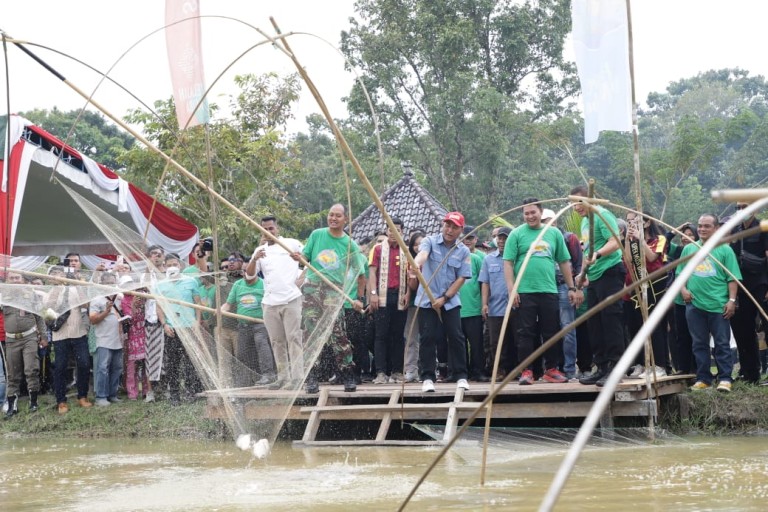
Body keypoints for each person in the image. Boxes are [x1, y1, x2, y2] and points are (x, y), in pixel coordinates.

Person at [504, 199, 582, 385]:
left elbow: (564, 261)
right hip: (524, 291)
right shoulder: (516, 234)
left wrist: (571, 288)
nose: (530, 216)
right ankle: (527, 371)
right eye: (526, 213)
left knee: (551, 331)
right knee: (525, 333)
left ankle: (551, 369)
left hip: (549, 289)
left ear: (541, 213)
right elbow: (508, 262)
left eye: (533, 212)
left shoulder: (553, 233)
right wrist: (512, 290)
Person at [294, 203, 366, 394]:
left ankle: (348, 374)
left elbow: (361, 274)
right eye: (331, 215)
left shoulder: (350, 245)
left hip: (334, 292)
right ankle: (311, 377)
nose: (333, 219)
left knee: (337, 334)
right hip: (312, 288)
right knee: (310, 333)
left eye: (338, 216)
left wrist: (359, 298)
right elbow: (304, 257)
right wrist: (297, 257)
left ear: (345, 219)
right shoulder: (317, 234)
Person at [677, 214, 742, 393]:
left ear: (715, 229)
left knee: (722, 343)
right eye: (700, 226)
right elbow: (680, 273)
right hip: (694, 305)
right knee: (699, 343)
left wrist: (731, 301)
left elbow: (732, 278)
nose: (702, 229)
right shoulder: (689, 249)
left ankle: (725, 378)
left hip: (718, 305)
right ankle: (703, 378)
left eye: (707, 226)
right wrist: (683, 289)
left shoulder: (724, 250)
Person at [570, 186, 627, 387]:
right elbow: (588, 253)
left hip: (610, 272)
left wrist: (599, 254)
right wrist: (582, 274)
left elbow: (616, 241)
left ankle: (615, 368)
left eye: (579, 202)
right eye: (573, 203)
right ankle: (601, 366)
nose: (576, 207)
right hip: (594, 277)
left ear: (590, 199)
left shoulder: (603, 215)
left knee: (610, 320)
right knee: (594, 322)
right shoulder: (585, 222)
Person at [413, 211, 472, 393]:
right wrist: (416, 263)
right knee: (428, 337)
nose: (449, 229)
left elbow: (461, 278)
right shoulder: (430, 241)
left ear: (461, 230)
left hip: (450, 300)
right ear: (443, 225)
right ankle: (428, 377)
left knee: (456, 336)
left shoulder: (463, 251)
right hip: (427, 299)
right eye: (447, 225)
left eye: (454, 227)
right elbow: (423, 254)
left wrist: (444, 298)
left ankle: (461, 376)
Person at [247, 215, 305, 387]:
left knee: (294, 338)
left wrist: (302, 278)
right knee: (276, 341)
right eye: (265, 229)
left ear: (277, 228)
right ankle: (283, 377)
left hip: (291, 298)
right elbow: (249, 277)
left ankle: (298, 377)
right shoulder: (260, 250)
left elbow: (308, 260)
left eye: (271, 228)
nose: (268, 232)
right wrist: (255, 258)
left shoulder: (291, 243)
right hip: (270, 302)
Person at [623, 211, 670, 378]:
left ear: (647, 222)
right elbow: (628, 260)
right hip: (633, 289)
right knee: (635, 328)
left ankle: (660, 365)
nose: (631, 224)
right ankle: (640, 364)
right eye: (628, 221)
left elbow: (651, 258)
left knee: (653, 327)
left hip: (653, 288)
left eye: (634, 221)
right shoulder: (631, 240)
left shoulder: (659, 239)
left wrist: (640, 240)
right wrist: (629, 240)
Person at [541, 209, 583, 380]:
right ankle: (552, 368)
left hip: (565, 286)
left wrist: (576, 287)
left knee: (567, 328)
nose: (547, 224)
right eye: (544, 221)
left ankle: (570, 369)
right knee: (549, 329)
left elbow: (578, 264)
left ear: (555, 221)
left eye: (549, 220)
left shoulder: (568, 238)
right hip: (547, 287)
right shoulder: (539, 240)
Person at [46, 258, 93, 413]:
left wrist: (77, 284)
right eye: (54, 274)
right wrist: (57, 291)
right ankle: (61, 401)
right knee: (60, 367)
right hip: (60, 336)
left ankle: (82, 396)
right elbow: (47, 316)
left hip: (79, 333)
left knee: (85, 364)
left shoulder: (73, 289)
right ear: (50, 278)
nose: (58, 276)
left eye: (60, 273)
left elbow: (85, 305)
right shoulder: (47, 294)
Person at [156, 253, 203, 405]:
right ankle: (174, 394)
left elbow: (197, 302)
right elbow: (159, 306)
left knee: (191, 362)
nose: (172, 268)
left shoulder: (190, 281)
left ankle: (192, 392)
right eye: (168, 265)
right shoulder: (160, 285)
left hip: (189, 327)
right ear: (164, 267)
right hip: (172, 329)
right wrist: (164, 323)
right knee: (172, 363)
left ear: (180, 265)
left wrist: (197, 322)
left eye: (174, 264)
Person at [729, 202, 768, 384]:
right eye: (738, 207)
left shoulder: (762, 228)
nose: (741, 210)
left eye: (745, 206)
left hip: (761, 285)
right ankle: (749, 373)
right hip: (739, 287)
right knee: (742, 330)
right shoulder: (733, 230)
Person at [368, 217, 409, 384]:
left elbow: (410, 274)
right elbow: (372, 273)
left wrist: (408, 294)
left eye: (397, 230)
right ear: (386, 231)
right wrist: (373, 293)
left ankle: (397, 371)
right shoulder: (377, 249)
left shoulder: (405, 250)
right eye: (391, 230)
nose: (394, 233)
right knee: (381, 335)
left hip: (400, 296)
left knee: (398, 335)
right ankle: (380, 372)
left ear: (402, 232)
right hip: (382, 296)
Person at [2, 271, 47, 417]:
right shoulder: (3, 295)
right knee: (13, 373)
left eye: (17, 278)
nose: (15, 280)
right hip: (11, 340)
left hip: (29, 337)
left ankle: (33, 402)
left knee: (31, 369)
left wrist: (44, 336)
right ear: (7, 280)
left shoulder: (31, 295)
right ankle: (12, 405)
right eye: (12, 278)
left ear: (23, 280)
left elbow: (40, 316)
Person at [223, 272, 276, 386]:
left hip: (260, 324)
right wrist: (220, 310)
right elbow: (228, 304)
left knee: (261, 344)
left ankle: (268, 374)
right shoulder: (238, 284)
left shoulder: (263, 284)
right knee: (242, 353)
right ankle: (243, 381)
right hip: (243, 325)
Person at [479, 226, 516, 377]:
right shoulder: (488, 259)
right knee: (496, 342)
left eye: (505, 238)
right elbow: (485, 283)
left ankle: (515, 370)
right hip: (495, 307)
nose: (501, 241)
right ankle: (499, 370)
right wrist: (484, 304)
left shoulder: (518, 257)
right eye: (500, 238)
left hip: (515, 306)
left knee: (516, 339)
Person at [666, 223, 699, 374]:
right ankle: (684, 368)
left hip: (698, 300)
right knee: (681, 335)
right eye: (683, 235)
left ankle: (699, 369)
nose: (686, 238)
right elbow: (664, 244)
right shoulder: (679, 251)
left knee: (698, 337)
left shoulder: (702, 251)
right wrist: (674, 230)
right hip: (680, 300)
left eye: (690, 235)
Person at [89, 272, 124, 406]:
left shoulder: (119, 298)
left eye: (113, 282)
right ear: (102, 284)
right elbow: (92, 319)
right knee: (102, 368)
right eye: (108, 283)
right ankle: (101, 396)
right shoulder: (97, 299)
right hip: (102, 339)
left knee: (117, 367)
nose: (111, 285)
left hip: (118, 339)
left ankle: (112, 394)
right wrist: (106, 311)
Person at [459, 225, 488, 382]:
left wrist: (484, 304)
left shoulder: (480, 258)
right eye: (464, 238)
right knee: (459, 343)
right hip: (457, 307)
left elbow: (484, 282)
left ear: (476, 239)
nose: (466, 241)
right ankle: (461, 372)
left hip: (474, 307)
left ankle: (478, 371)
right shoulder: (454, 256)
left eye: (470, 238)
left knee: (476, 343)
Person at [120, 275, 150, 400]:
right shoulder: (124, 300)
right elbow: (129, 318)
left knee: (145, 363)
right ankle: (132, 393)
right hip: (133, 333)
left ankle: (146, 390)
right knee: (132, 365)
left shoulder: (141, 295)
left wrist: (143, 299)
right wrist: (133, 306)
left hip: (144, 331)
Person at [403, 231, 425, 383]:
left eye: (421, 244)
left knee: (429, 338)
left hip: (431, 303)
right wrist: (413, 275)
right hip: (414, 304)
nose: (418, 247)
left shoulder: (433, 259)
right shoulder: (409, 262)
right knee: (411, 337)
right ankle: (411, 370)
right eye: (415, 245)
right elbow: (412, 286)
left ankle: (429, 369)